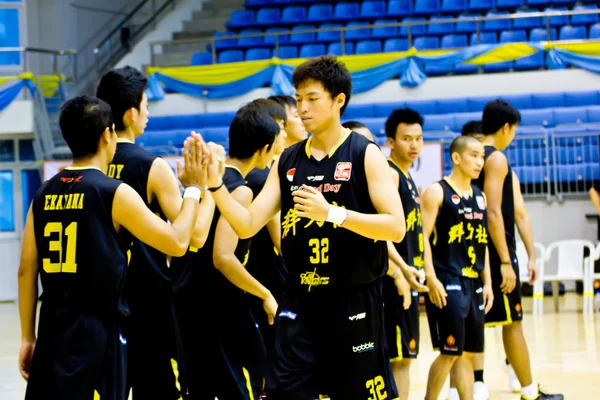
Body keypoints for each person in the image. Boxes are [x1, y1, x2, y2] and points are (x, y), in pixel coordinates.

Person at [204, 55, 405, 399]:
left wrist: (333, 214)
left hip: (352, 298)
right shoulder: (288, 159)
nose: (303, 109)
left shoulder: (364, 154)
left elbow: (395, 228)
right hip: (299, 299)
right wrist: (215, 187)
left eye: (312, 99)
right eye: (299, 100)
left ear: (338, 100)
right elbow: (248, 225)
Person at [17, 95, 208, 400]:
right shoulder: (114, 192)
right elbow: (178, 242)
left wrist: (28, 336)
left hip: (52, 329)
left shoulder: (42, 193)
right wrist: (195, 189)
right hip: (97, 334)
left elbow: (27, 269)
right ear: (108, 135)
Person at [96, 66, 215, 400]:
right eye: (147, 105)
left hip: (100, 299)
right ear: (132, 113)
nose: (148, 113)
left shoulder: (88, 165)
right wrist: (204, 189)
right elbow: (194, 237)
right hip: (147, 299)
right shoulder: (151, 166)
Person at [171, 105, 282, 400]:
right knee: (242, 388)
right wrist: (265, 293)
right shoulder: (240, 190)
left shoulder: (205, 182)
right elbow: (223, 257)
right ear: (264, 149)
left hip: (187, 299)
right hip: (217, 305)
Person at [475, 100, 563, 400]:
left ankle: (467, 387)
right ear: (506, 128)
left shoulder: (471, 156)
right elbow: (494, 212)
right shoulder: (496, 159)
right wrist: (505, 261)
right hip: (496, 251)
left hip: (473, 251)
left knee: (475, 325)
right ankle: (529, 390)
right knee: (512, 323)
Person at [421, 135, 494, 400]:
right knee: (450, 351)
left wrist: (487, 282)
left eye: (482, 156)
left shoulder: (480, 197)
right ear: (456, 157)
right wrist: (430, 277)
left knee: (465, 354)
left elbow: (482, 242)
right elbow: (423, 239)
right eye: (474, 155)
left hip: (474, 282)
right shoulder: (436, 192)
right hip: (447, 280)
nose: (479, 161)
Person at [383, 108, 427, 400]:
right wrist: (398, 272)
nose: (414, 145)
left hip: (410, 278)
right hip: (392, 281)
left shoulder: (408, 177)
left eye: (419, 138)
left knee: (405, 357)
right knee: (396, 358)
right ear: (391, 141)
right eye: (406, 139)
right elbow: (380, 233)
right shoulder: (390, 175)